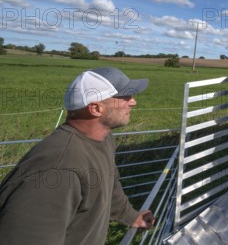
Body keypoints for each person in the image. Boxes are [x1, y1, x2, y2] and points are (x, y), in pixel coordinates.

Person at [0, 67, 155, 245]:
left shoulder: (103, 138)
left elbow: (108, 184)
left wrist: (131, 216)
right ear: (96, 108)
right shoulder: (58, 169)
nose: (133, 102)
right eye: (125, 97)